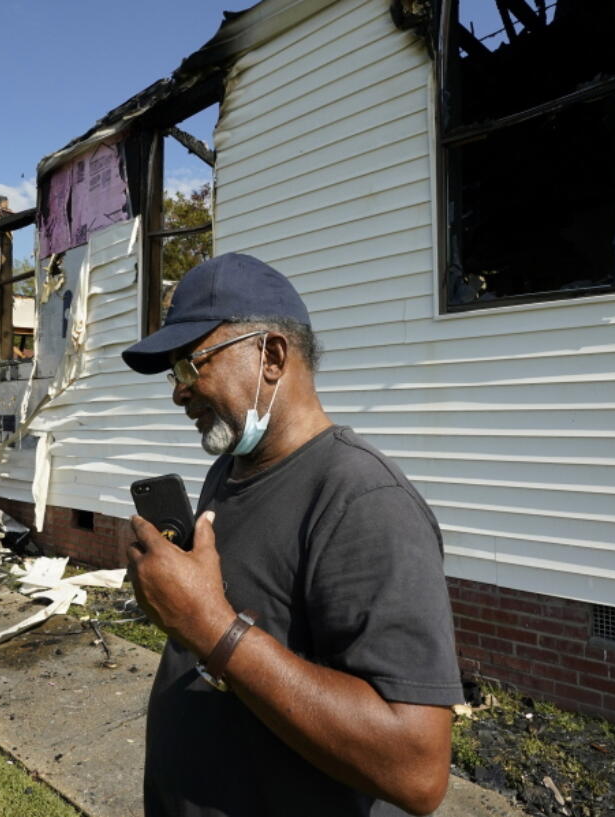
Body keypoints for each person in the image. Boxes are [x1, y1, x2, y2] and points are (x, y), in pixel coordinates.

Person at [120, 253, 463, 817]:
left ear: (272, 356)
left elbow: (418, 770)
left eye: (189, 365)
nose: (178, 392)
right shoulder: (227, 469)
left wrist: (209, 627)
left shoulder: (363, 501)